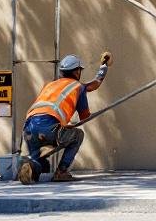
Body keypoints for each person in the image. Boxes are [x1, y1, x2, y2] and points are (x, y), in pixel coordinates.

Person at [17, 52, 112, 184]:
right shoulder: (78, 87)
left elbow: (47, 109)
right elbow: (85, 114)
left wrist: (62, 124)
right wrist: (104, 67)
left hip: (28, 128)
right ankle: (61, 172)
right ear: (77, 71)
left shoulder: (49, 85)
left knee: (38, 160)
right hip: (49, 127)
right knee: (77, 135)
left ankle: (30, 168)